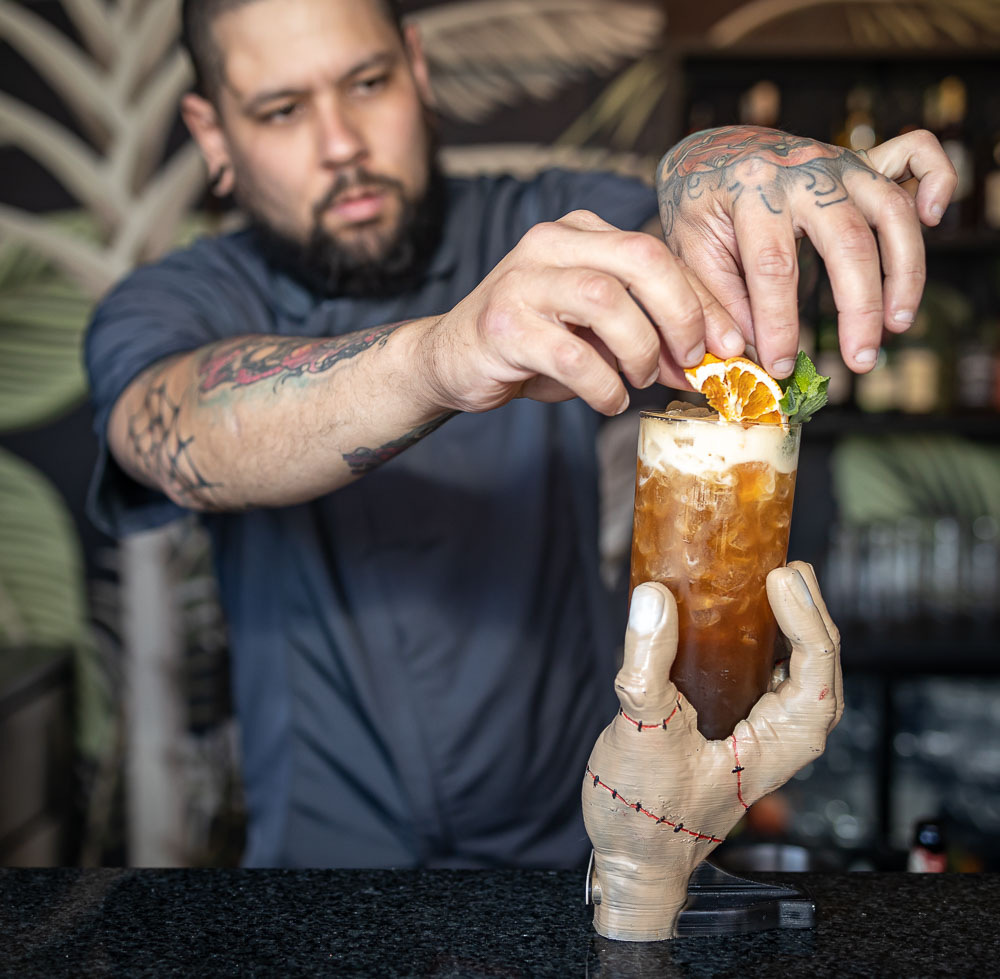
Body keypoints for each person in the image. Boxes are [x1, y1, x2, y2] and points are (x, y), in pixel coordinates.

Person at [84, 0, 955, 868]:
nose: (340, 142)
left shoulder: (538, 224)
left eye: (368, 83)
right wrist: (439, 358)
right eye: (281, 110)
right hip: (322, 869)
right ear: (212, 133)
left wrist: (711, 161)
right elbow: (176, 426)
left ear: (417, 69)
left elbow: (677, 235)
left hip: (579, 849)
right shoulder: (176, 300)